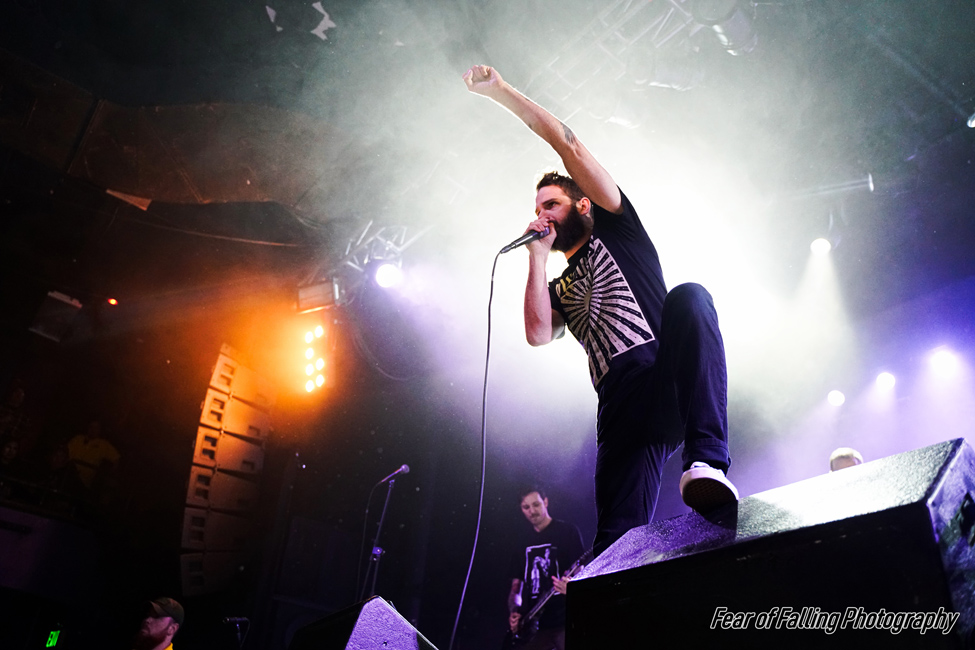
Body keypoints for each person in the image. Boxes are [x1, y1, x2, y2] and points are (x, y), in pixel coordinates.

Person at [463, 65, 738, 557]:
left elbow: (569, 145)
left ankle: (707, 465)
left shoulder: (615, 224)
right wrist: (536, 256)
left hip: (662, 373)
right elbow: (537, 334)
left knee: (690, 296)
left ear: (582, 204)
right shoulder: (556, 278)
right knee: (614, 548)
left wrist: (501, 92)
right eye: (538, 208)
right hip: (618, 405)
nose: (542, 214)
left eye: (551, 204)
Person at [506, 487, 584, 650]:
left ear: (546, 502)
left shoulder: (567, 532)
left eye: (536, 504)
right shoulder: (521, 543)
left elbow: (581, 572)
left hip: (565, 621)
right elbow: (516, 589)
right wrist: (515, 611)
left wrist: (572, 587)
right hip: (534, 626)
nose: (532, 511)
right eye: (526, 507)